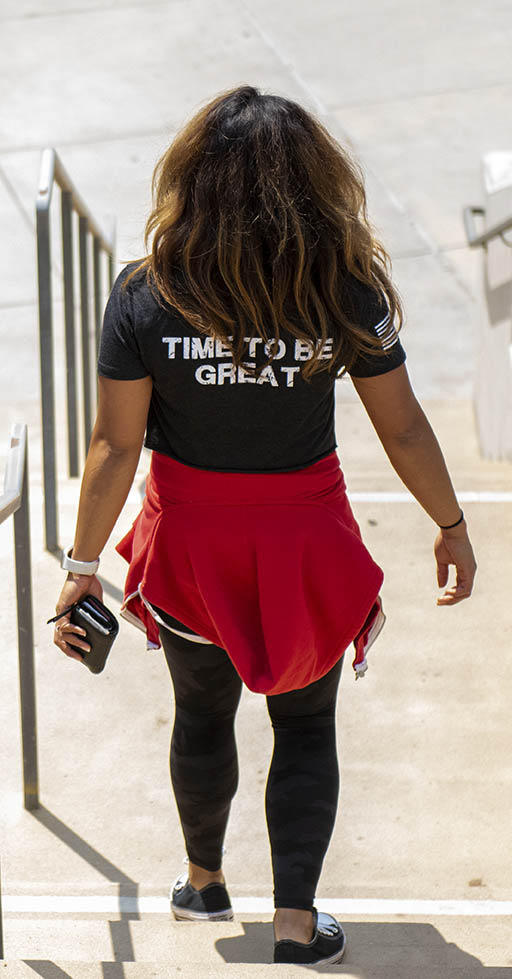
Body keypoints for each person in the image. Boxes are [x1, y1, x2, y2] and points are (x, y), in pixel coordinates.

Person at [52, 85, 477, 967]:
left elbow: (113, 445)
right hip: (303, 541)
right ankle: (294, 926)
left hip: (191, 544)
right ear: (310, 182)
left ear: (192, 180)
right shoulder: (342, 286)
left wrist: (82, 563)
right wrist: (449, 521)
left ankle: (204, 883)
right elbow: (401, 425)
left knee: (200, 712)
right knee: (306, 725)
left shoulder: (146, 293)